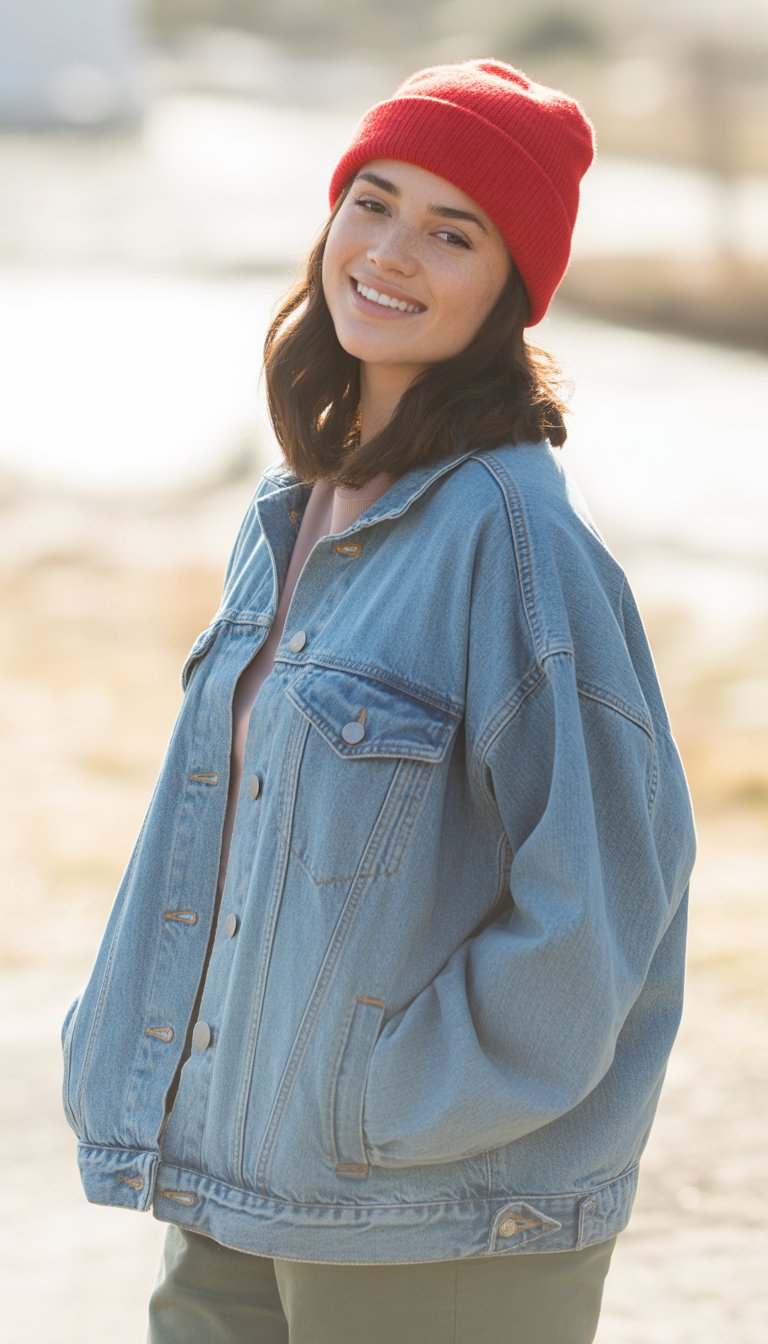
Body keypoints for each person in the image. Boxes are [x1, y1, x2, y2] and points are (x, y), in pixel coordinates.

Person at [61, 59, 696, 1344]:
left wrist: (382, 1098)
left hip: (433, 1214)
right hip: (237, 1174)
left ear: (509, 288)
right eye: (374, 200)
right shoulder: (294, 514)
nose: (392, 252)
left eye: (452, 232)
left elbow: (609, 892)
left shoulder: (517, 542)